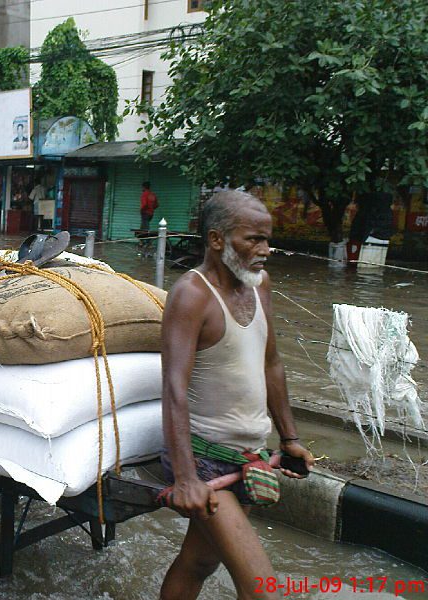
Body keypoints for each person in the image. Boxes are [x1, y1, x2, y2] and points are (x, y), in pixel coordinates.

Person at [158, 190, 314, 600]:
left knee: (199, 562)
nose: (265, 250)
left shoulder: (259, 284)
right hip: (207, 461)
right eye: (253, 240)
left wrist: (291, 438)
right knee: (264, 590)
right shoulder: (191, 295)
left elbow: (271, 362)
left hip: (251, 455)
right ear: (216, 240)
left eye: (267, 239)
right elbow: (173, 387)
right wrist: (186, 478)